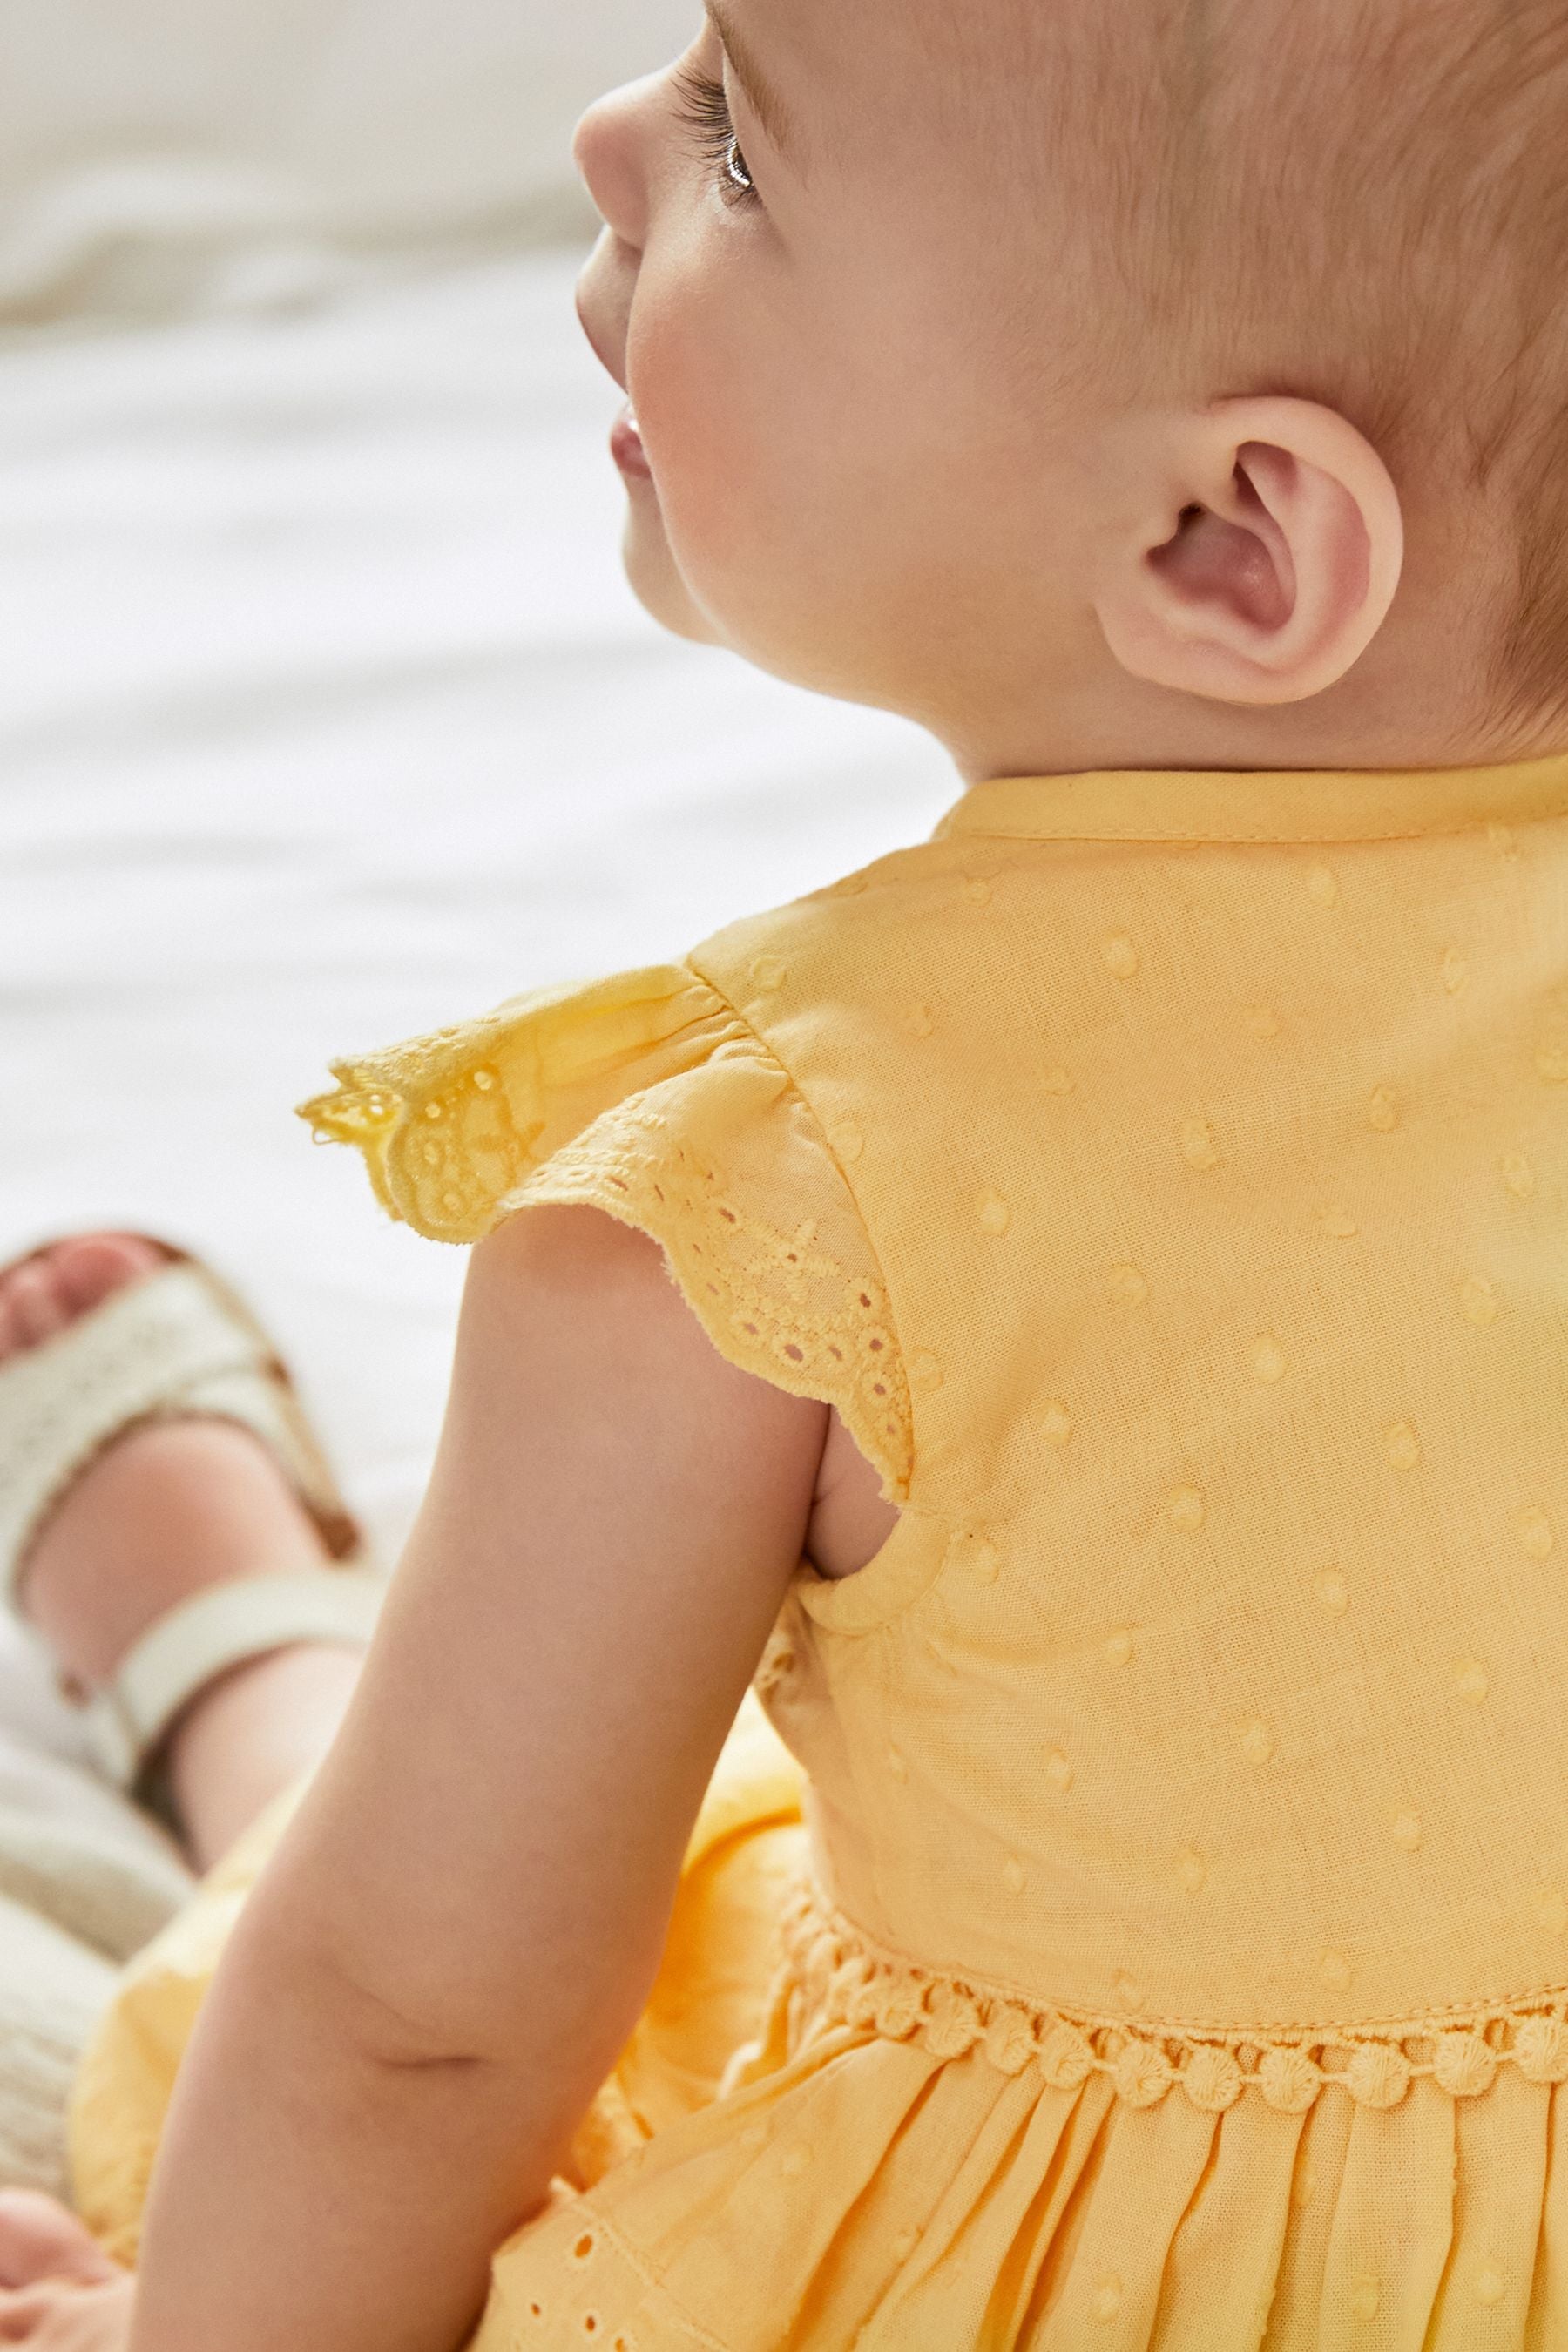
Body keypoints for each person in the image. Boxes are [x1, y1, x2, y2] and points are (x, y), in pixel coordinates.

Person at [3, 0, 1568, 2340]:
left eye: (743, 137)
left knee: (438, 1886)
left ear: (1224, 541)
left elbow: (416, 2020)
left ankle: (240, 1661)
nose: (609, 133)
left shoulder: (766, 1181)